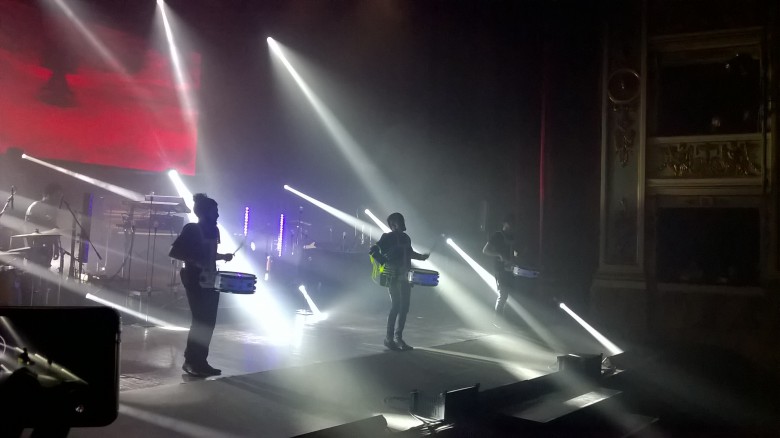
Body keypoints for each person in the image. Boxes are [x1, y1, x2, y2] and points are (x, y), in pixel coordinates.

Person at [169, 193, 233, 377]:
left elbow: (208, 254)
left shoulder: (214, 230)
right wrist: (197, 262)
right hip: (194, 278)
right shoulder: (191, 229)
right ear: (205, 212)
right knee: (200, 321)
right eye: (215, 211)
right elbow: (175, 252)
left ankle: (201, 361)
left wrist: (222, 256)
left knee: (208, 322)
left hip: (210, 279)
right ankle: (191, 361)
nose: (218, 214)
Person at [369, 212, 429, 351]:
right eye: (399, 220)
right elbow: (373, 250)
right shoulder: (388, 237)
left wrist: (421, 257)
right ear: (393, 224)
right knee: (396, 306)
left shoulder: (406, 238)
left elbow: (409, 253)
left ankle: (398, 338)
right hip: (393, 277)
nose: (402, 222)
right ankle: (389, 339)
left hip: (406, 277)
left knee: (404, 308)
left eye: (402, 220)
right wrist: (384, 261)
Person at [23, 183, 63, 303]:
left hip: (47, 248)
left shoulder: (53, 210)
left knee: (45, 279)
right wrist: (29, 249)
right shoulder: (35, 207)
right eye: (56, 195)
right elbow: (27, 229)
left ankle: (43, 304)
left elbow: (53, 229)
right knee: (34, 280)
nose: (58, 198)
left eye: (60, 196)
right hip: (35, 248)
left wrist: (56, 247)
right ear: (47, 195)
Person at [483, 214, 522, 323]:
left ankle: (507, 320)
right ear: (504, 223)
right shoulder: (498, 235)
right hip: (500, 269)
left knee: (511, 295)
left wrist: (516, 256)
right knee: (503, 294)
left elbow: (514, 251)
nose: (512, 225)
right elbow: (485, 250)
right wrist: (499, 255)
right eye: (510, 223)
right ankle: (498, 321)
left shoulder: (512, 237)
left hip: (511, 269)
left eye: (513, 224)